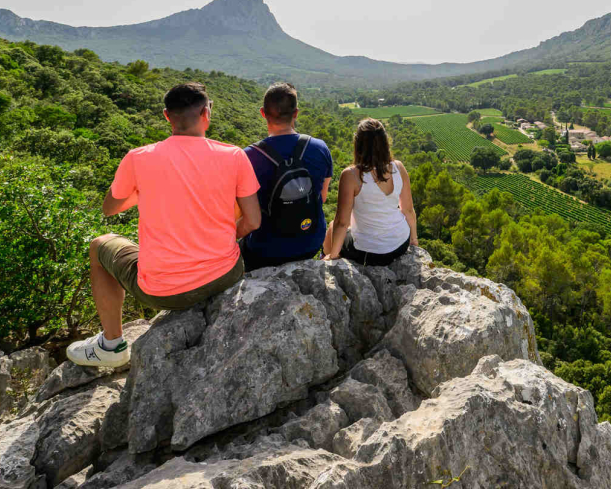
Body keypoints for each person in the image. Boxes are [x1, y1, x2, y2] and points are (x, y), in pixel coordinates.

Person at [66, 82, 262, 368]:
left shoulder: (138, 158)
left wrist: (146, 189)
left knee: (99, 246)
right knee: (228, 199)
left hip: (163, 292)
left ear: (166, 116)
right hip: (225, 275)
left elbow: (110, 208)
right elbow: (253, 220)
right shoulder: (233, 155)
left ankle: (111, 345)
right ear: (207, 113)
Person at [239, 82, 333, 271]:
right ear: (296, 113)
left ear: (263, 113)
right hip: (310, 243)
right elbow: (322, 198)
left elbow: (246, 216)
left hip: (265, 250)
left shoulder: (248, 156)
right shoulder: (320, 148)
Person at [324, 118, 417, 265]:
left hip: (369, 252)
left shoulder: (351, 175)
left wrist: (333, 255)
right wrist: (414, 240)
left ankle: (330, 259)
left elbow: (342, 222)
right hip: (400, 243)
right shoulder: (399, 167)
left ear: (358, 144)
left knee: (331, 227)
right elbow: (408, 210)